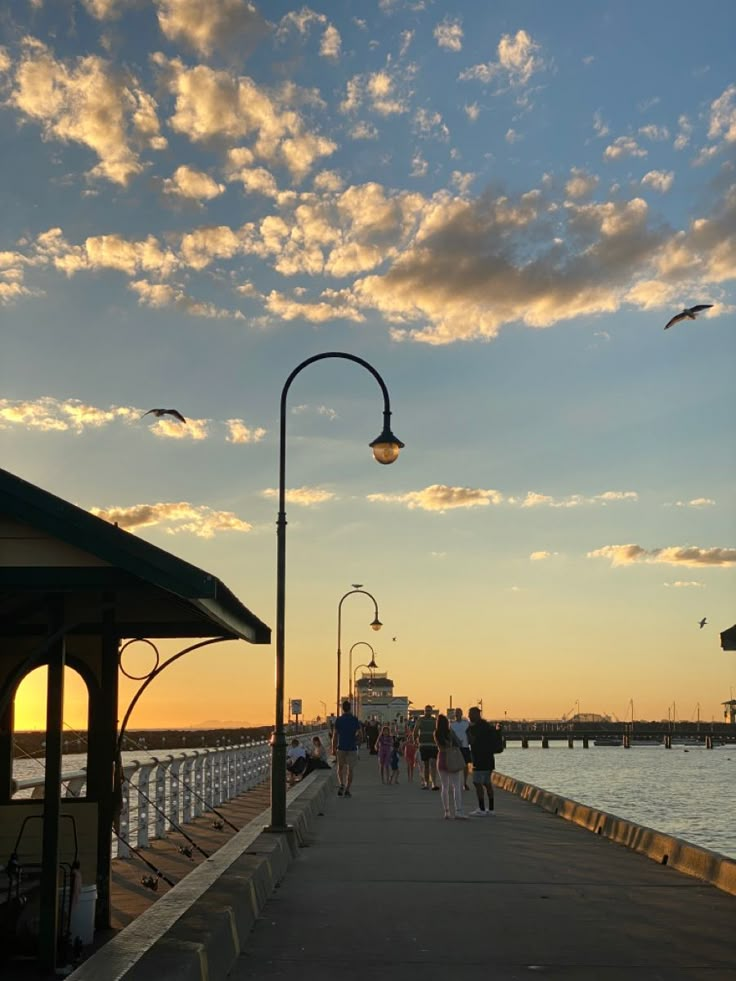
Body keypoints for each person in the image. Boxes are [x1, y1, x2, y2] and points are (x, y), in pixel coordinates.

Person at [466, 706, 502, 816]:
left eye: (471, 714)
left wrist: (467, 732)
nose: (469, 716)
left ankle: (481, 809)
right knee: (487, 783)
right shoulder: (487, 726)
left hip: (479, 759)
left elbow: (472, 741)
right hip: (489, 759)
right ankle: (491, 809)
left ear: (477, 714)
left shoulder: (475, 728)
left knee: (477, 783)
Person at [434, 714, 468, 819]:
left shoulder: (436, 733)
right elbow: (458, 743)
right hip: (451, 758)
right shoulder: (450, 732)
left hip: (441, 759)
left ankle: (446, 812)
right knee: (456, 786)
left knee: (444, 786)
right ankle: (458, 811)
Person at [331, 700, 362, 797]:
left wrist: (333, 748)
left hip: (341, 747)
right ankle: (348, 789)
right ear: (350, 708)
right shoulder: (354, 719)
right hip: (352, 748)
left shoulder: (339, 720)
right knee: (350, 769)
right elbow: (360, 735)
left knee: (340, 768)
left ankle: (341, 784)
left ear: (342, 708)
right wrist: (358, 743)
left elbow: (335, 735)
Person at [413, 705, 439, 790]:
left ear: (431, 711)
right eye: (426, 710)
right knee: (426, 765)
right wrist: (415, 741)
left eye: (429, 710)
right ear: (424, 711)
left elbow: (438, 731)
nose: (428, 712)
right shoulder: (420, 720)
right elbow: (415, 731)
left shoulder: (435, 720)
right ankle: (426, 783)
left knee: (433, 764)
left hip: (433, 745)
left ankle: (434, 783)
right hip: (423, 745)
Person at [450, 708, 471, 791]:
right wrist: (456, 741)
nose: (458, 714)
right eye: (456, 713)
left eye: (459, 712)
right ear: (455, 714)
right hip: (455, 748)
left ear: (462, 714)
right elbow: (451, 736)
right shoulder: (452, 724)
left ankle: (465, 783)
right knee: (456, 766)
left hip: (465, 747)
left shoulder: (466, 723)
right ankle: (456, 783)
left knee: (466, 766)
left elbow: (469, 733)